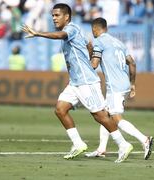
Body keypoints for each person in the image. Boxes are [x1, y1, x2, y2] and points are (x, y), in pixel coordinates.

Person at [22, 3, 133, 163]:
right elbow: (89, 43)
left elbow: (61, 35)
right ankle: (78, 143)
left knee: (100, 116)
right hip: (75, 82)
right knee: (60, 109)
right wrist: (89, 59)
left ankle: (123, 144)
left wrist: (38, 33)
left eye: (57, 15)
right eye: (52, 15)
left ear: (66, 17)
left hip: (86, 82)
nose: (53, 18)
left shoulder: (71, 29)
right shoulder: (75, 30)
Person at [84, 17, 153, 160]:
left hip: (115, 87)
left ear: (94, 30)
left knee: (116, 118)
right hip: (124, 84)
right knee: (105, 115)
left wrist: (88, 53)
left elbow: (94, 65)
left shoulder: (99, 42)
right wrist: (132, 83)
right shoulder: (119, 43)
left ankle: (144, 139)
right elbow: (132, 63)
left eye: (93, 31)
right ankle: (101, 149)